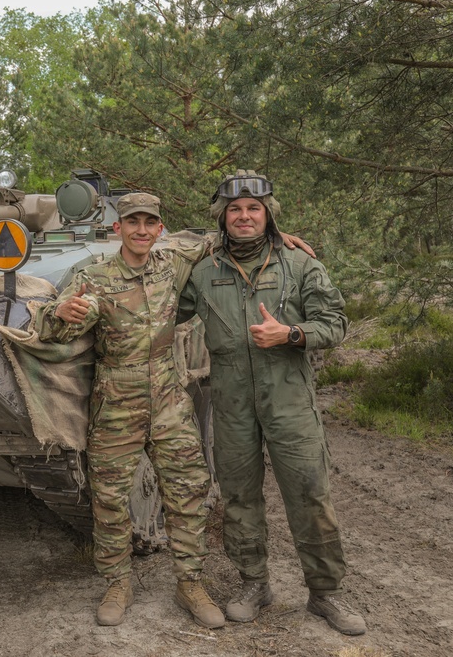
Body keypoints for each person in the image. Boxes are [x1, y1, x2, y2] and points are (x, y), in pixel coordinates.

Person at [32, 191, 312, 629]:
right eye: (132, 223)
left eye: (149, 223)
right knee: (109, 497)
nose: (141, 230)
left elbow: (222, 237)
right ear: (117, 229)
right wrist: (59, 312)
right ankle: (117, 583)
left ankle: (190, 582)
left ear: (159, 228)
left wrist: (278, 237)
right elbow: (51, 325)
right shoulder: (95, 276)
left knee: (188, 490)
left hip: (168, 397)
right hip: (117, 399)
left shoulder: (174, 261)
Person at [176, 170, 366, 635]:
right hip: (233, 405)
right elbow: (160, 299)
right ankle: (254, 584)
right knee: (240, 497)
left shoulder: (300, 265)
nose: (244, 216)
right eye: (234, 210)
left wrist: (291, 333)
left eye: (253, 209)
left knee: (309, 494)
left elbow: (336, 322)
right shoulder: (202, 271)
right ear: (223, 217)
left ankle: (325, 593)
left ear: (268, 215)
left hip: (290, 402)